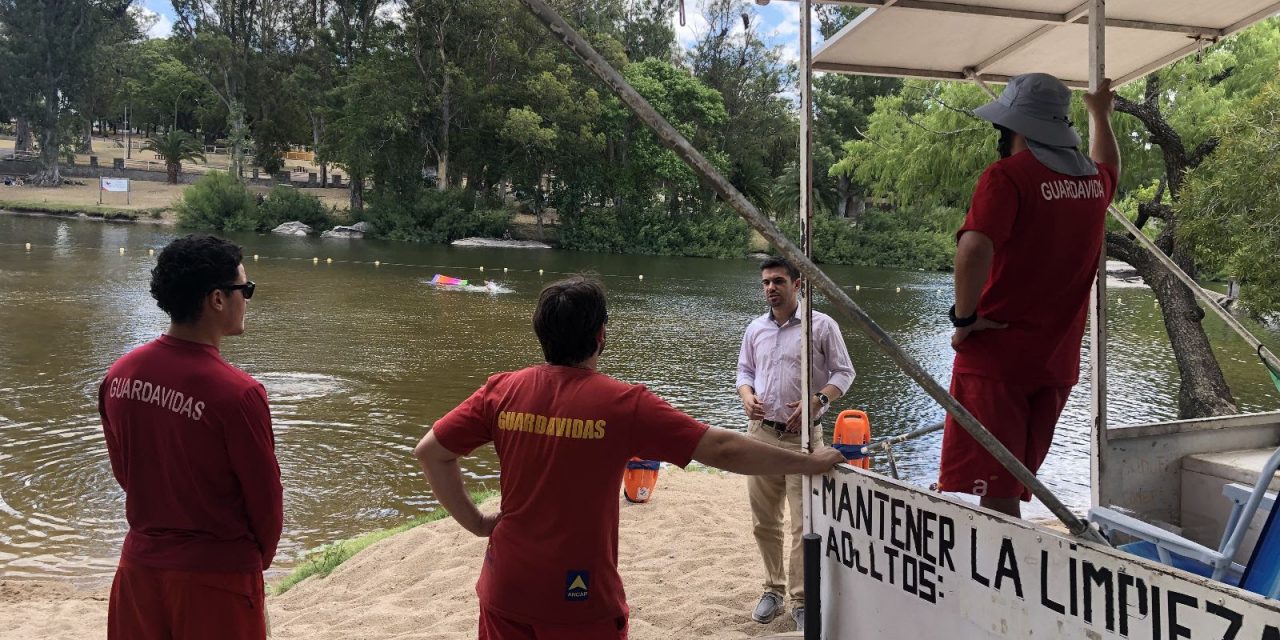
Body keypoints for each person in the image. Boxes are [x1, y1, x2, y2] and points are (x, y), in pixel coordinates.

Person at [414, 276, 846, 640]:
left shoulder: (501, 391)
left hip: (505, 585)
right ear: (601, 335)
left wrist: (477, 523)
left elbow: (431, 453)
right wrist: (807, 462)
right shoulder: (622, 405)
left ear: (540, 332)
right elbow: (721, 448)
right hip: (579, 596)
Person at [937, 73, 1120, 518]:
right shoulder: (1094, 184)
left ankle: (998, 564)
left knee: (996, 495)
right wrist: (1100, 115)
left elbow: (974, 246)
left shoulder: (1007, 176)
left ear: (1012, 127)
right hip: (1055, 365)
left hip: (997, 359)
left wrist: (964, 320)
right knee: (1014, 481)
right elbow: (1109, 163)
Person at [99, 234, 283, 640]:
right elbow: (266, 501)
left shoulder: (119, 375)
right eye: (245, 289)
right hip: (216, 579)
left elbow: (126, 474)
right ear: (217, 299)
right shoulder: (239, 393)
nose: (247, 300)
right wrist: (254, 562)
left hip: (138, 571)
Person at [736, 256, 855, 631]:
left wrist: (818, 400)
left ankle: (801, 599)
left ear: (797, 284)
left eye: (778, 281)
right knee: (764, 521)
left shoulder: (821, 325)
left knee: (804, 523)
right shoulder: (755, 328)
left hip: (804, 441)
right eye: (765, 283)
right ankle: (772, 589)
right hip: (761, 437)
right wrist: (746, 396)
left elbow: (844, 372)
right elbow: (744, 371)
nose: (770, 288)